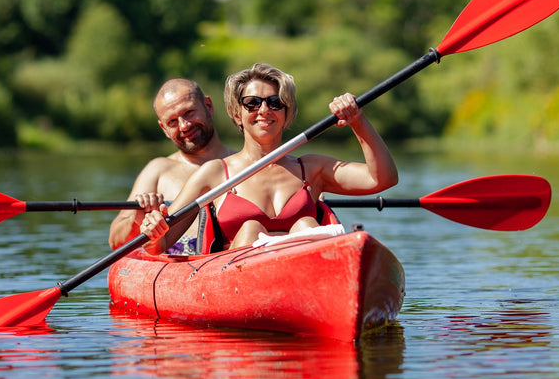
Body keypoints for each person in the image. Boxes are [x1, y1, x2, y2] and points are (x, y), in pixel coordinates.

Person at [139, 62, 398, 253]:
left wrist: (357, 120)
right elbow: (160, 243)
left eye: (275, 102)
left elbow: (383, 178)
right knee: (251, 228)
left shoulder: (312, 169)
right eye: (252, 103)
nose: (264, 110)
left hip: (307, 277)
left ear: (287, 113)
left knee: (306, 225)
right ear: (237, 113)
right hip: (238, 280)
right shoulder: (214, 173)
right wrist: (153, 228)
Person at [108, 78, 232, 253]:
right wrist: (138, 221)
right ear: (164, 129)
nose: (184, 125)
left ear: (208, 106)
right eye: (172, 122)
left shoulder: (246, 165)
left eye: (189, 112)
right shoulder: (158, 170)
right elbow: (115, 241)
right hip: (177, 268)